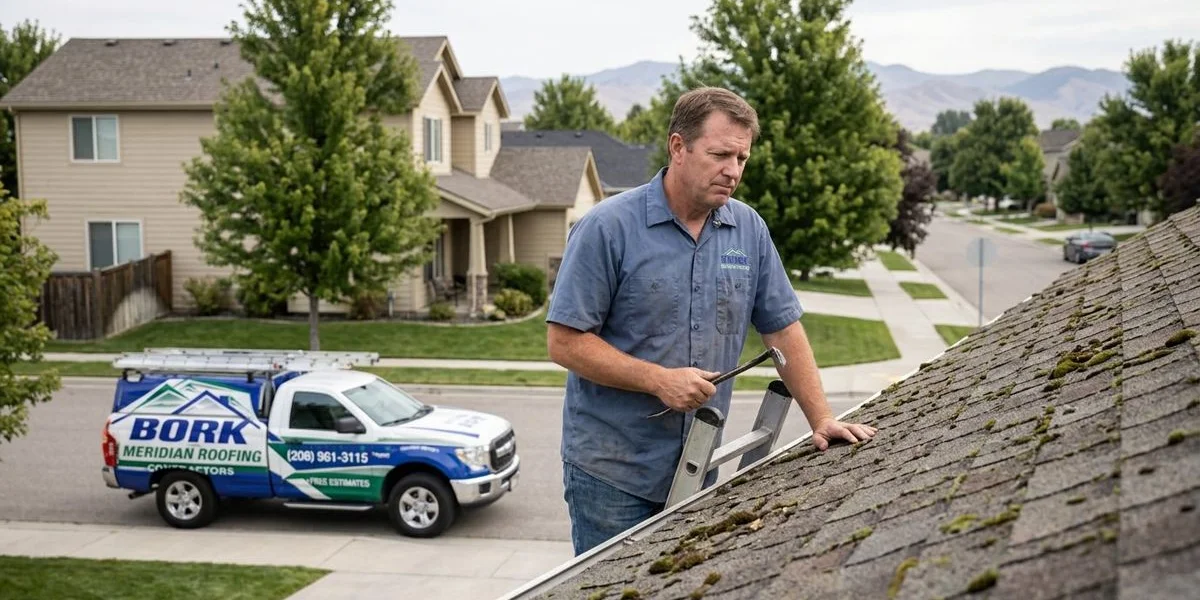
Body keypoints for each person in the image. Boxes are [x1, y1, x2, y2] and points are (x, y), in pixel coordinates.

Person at [545, 86, 878, 556]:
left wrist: (821, 418)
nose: (733, 171)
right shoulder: (607, 228)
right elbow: (564, 343)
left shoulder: (748, 229)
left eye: (742, 158)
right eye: (720, 154)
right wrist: (658, 380)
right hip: (613, 474)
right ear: (678, 147)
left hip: (699, 465)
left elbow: (782, 328)